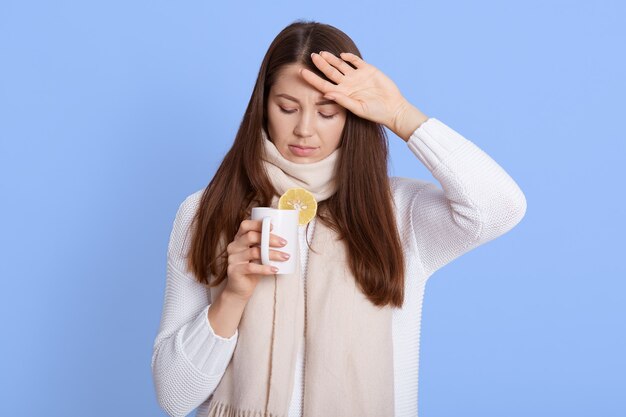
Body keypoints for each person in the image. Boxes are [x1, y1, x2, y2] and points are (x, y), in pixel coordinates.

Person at [151, 20, 527, 417]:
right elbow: (173, 396)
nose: (304, 129)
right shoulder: (206, 211)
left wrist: (401, 115)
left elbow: (500, 207)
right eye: (287, 108)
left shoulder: (397, 211)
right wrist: (233, 295)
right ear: (262, 108)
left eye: (327, 112)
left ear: (351, 116)